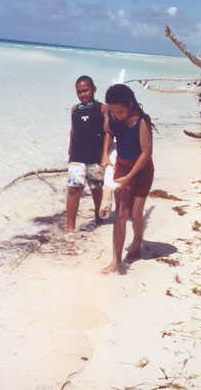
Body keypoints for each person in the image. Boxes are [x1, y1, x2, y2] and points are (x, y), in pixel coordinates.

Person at [101, 84, 154, 273]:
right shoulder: (111, 116)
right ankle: (116, 261)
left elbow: (146, 153)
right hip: (122, 166)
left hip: (142, 171)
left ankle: (137, 242)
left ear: (130, 105)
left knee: (135, 214)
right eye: (113, 111)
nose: (117, 115)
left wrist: (130, 177)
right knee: (120, 214)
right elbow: (109, 132)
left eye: (121, 111)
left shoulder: (141, 122)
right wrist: (105, 155)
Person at [66, 75, 108, 232]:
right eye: (79, 92)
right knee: (73, 189)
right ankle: (70, 227)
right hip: (77, 156)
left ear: (93, 89)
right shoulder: (74, 109)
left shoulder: (102, 108)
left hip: (96, 157)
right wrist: (70, 149)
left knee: (96, 190)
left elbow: (108, 134)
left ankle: (99, 219)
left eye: (85, 90)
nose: (82, 94)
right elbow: (73, 130)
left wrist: (106, 155)